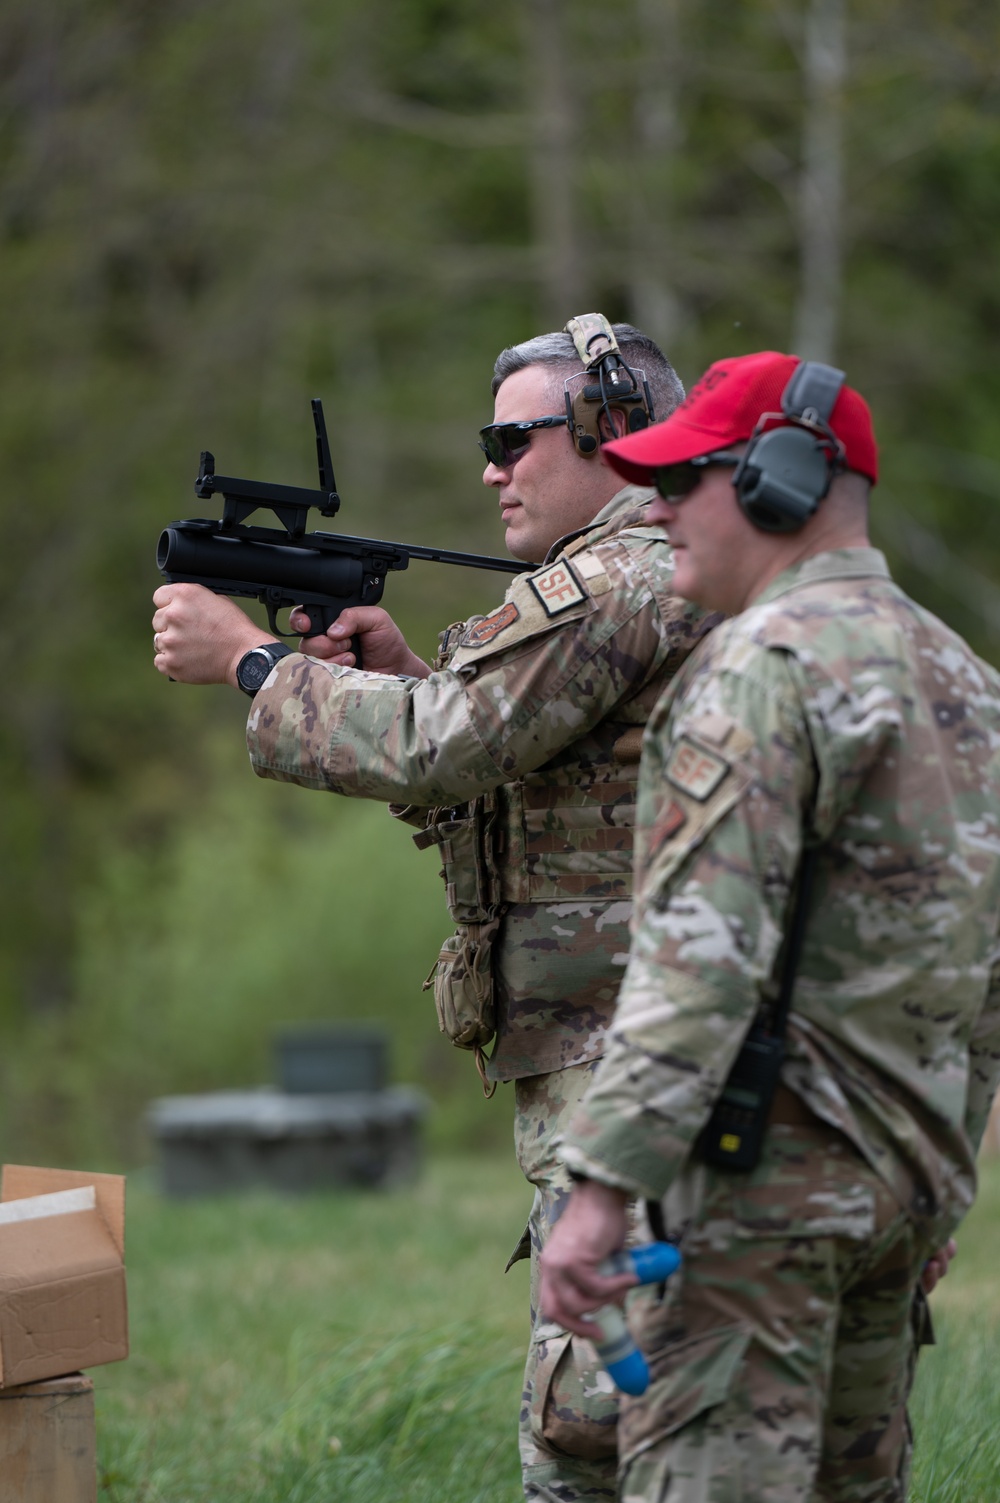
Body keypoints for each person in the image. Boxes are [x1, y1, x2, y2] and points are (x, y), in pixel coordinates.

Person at [151, 317, 720, 1503]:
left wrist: (254, 665)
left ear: (612, 431)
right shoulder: (646, 569)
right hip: (625, 1043)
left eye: (513, 437)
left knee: (594, 1429)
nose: (490, 466)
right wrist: (400, 675)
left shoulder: (615, 579)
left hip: (629, 1055)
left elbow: (441, 748)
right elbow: (533, 769)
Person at [538, 350, 1000, 1502]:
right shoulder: (969, 681)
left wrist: (597, 1194)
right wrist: (940, 1181)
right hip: (897, 1202)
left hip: (755, 1206)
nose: (653, 507)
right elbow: (983, 979)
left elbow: (700, 965)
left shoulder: (759, 668)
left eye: (682, 479)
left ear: (776, 483)